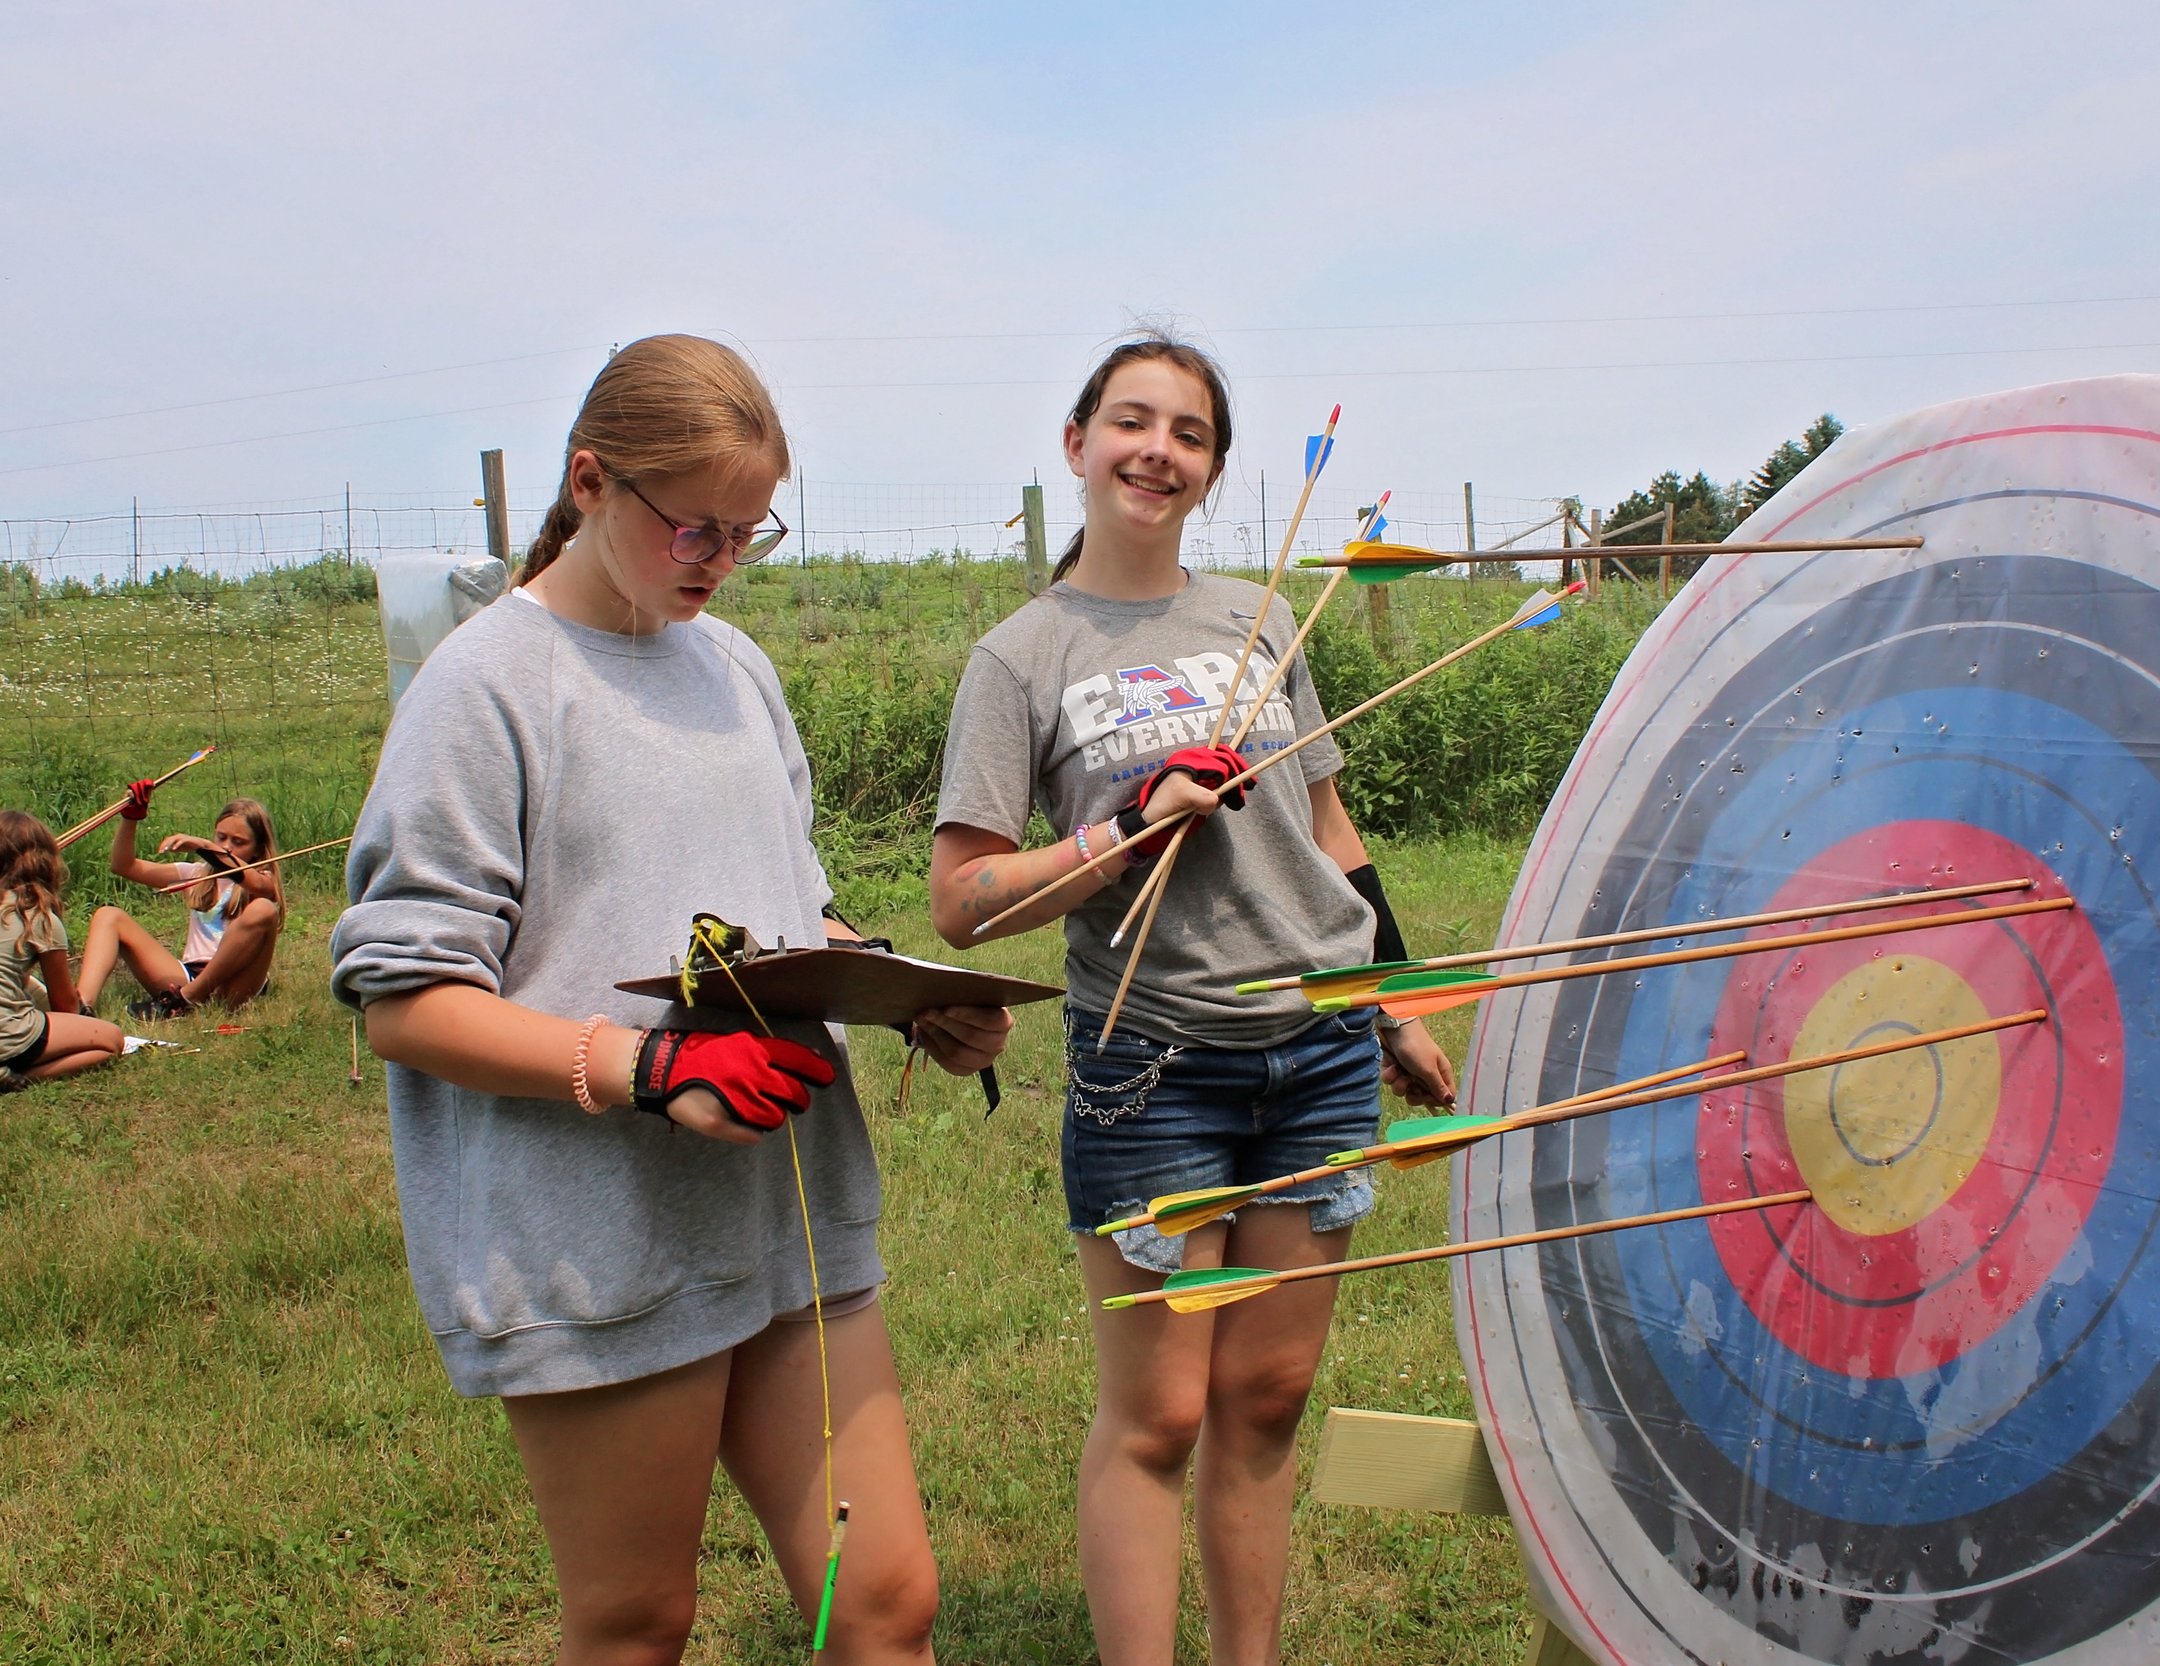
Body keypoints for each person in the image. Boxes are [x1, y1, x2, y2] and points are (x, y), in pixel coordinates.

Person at [328, 335, 1012, 1666]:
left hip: (785, 1214)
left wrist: (904, 994)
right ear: (591, 482)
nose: (720, 560)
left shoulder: (735, 669)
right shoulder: (485, 688)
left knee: (886, 1604)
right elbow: (406, 1001)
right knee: (640, 1621)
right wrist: (652, 1072)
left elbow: (787, 908)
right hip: (601, 1239)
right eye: (697, 526)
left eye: (751, 533)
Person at [929, 335, 1458, 1666]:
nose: (1157, 448)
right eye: (1131, 420)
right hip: (1154, 1067)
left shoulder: (1269, 615)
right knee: (1160, 1411)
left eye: (1188, 431)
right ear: (1077, 443)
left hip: (1323, 1053)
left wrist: (1390, 1002)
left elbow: (1331, 828)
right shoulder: (1022, 657)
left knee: (1269, 1394)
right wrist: (1125, 825)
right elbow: (964, 897)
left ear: (1216, 467)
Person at [77, 791, 284, 1017]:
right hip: (188, 976)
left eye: (238, 842)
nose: (226, 847)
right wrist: (131, 817)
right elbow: (123, 866)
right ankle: (81, 1008)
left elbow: (259, 887)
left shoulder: (262, 878)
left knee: (264, 909)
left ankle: (187, 999)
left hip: (237, 983)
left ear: (258, 848)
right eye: (221, 837)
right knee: (109, 915)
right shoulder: (196, 874)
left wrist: (205, 847)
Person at [0, 810, 125, 1089]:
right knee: (111, 1040)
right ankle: (19, 1077)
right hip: (7, 1036)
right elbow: (65, 1006)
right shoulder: (37, 915)